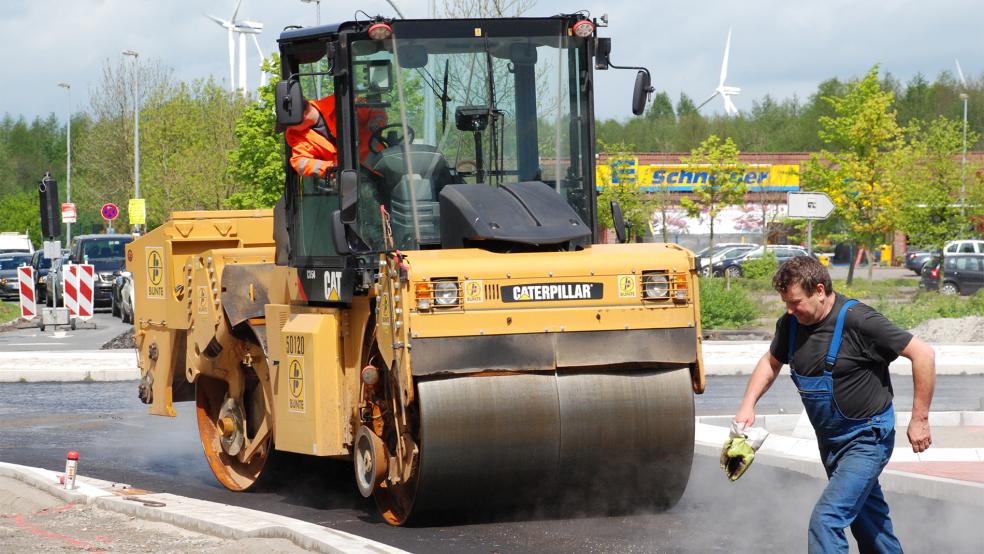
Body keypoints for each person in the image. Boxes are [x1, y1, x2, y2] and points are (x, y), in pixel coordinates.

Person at [734, 256, 935, 553]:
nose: (790, 310)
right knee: (869, 523)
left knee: (826, 519)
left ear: (819, 290)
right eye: (786, 303)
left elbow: (923, 354)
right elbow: (771, 362)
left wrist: (920, 418)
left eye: (795, 302)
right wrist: (747, 405)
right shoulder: (790, 325)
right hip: (831, 442)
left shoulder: (858, 319)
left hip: (868, 438)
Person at [283, 93, 386, 178]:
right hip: (353, 181)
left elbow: (375, 111)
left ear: (302, 114)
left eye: (288, 123)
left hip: (381, 162)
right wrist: (331, 168)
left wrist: (376, 124)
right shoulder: (298, 137)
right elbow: (301, 162)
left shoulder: (342, 101)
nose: (288, 128)